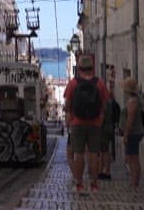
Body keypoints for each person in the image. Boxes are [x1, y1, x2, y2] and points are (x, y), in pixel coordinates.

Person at [64, 55, 109, 195]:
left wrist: (70, 116)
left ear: (79, 69)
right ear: (92, 68)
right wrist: (100, 116)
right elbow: (104, 103)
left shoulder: (73, 83)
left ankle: (79, 184)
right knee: (94, 154)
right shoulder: (100, 83)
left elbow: (67, 105)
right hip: (95, 123)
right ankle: (94, 184)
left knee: (78, 154)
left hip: (77, 123)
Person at [119, 77, 144, 187]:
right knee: (133, 156)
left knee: (133, 157)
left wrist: (126, 135)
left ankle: (134, 182)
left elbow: (130, 119)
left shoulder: (132, 102)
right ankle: (134, 180)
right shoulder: (135, 100)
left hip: (133, 133)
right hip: (135, 132)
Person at [98, 92, 120, 180]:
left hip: (104, 129)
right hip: (110, 128)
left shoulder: (104, 103)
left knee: (104, 151)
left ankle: (106, 172)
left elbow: (102, 117)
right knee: (104, 151)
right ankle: (102, 171)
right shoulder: (111, 102)